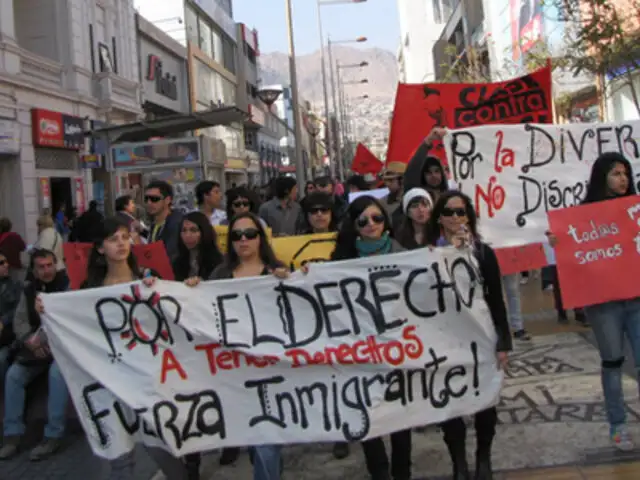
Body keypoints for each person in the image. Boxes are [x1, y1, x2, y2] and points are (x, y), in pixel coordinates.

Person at [186, 211, 289, 480]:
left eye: (250, 234)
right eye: (236, 235)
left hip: (272, 372)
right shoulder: (219, 276)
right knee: (256, 443)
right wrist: (191, 292)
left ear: (261, 238)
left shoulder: (277, 272)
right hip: (234, 374)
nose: (243, 240)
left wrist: (297, 279)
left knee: (267, 444)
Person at [547, 152, 638, 451]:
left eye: (625, 173)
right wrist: (557, 242)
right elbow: (572, 254)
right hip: (604, 304)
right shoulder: (582, 215)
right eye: (615, 173)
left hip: (637, 298)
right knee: (612, 361)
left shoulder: (636, 210)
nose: (622, 179)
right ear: (601, 177)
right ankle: (618, 425)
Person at [425, 191, 511, 480]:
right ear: (439, 218)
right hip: (445, 338)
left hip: (482, 335)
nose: (455, 218)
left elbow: (497, 300)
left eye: (461, 212)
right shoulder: (426, 254)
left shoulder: (483, 253)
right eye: (449, 212)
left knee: (485, 399)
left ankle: (483, 457)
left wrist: (504, 343)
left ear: (469, 217)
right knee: (451, 402)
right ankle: (458, 462)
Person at [330, 195, 408, 480]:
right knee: (367, 413)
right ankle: (379, 473)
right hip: (360, 348)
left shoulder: (406, 255)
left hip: (399, 344)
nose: (371, 225)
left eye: (377, 218)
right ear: (354, 226)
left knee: (402, 414)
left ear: (385, 222)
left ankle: (402, 472)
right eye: (363, 221)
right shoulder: (339, 261)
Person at [0, 249, 70, 461]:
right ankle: (12, 434)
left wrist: (49, 342)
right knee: (13, 375)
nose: (47, 270)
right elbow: (20, 320)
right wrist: (29, 341)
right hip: (34, 348)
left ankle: (53, 434)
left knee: (57, 375)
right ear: (34, 269)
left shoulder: (68, 286)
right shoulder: (29, 289)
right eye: (41, 266)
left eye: (50, 265)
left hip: (61, 348)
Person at [298, 191, 349, 460]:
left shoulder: (346, 240)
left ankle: (342, 431)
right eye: (314, 211)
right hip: (310, 319)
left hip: (341, 318)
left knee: (341, 374)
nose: (319, 215)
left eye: (324, 210)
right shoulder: (291, 244)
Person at [144, 180, 183, 261]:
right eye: (146, 199)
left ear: (167, 200)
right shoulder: (155, 223)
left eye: (154, 199)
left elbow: (168, 258)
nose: (149, 203)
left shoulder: (176, 224)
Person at [0, 250, 22, 382]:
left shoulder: (15, 284)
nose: (6, 265)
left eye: (6, 261)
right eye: (1, 263)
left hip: (10, 337)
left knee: (1, 358)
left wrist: (2, 321)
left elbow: (19, 309)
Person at [378, 163, 406, 230]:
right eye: (386, 181)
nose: (387, 184)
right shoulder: (382, 202)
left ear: (402, 180)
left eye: (391, 180)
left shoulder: (411, 198)